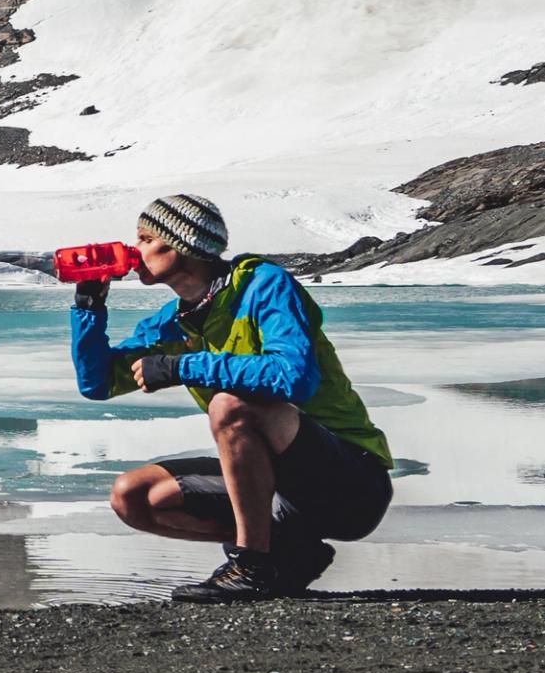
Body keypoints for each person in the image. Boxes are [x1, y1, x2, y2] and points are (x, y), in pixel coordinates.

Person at [70, 192, 395, 601]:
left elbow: (293, 378)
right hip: (275, 485)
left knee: (230, 405)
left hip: (349, 485)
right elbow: (97, 384)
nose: (135, 252)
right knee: (133, 496)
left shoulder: (264, 285)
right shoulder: (173, 323)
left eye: (143, 239)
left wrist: (182, 367)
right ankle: (289, 552)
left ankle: (252, 564)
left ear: (180, 244)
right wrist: (89, 307)